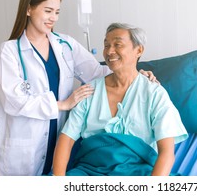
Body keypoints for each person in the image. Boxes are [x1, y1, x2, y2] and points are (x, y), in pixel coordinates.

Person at [0, 0, 155, 176]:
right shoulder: (9, 51)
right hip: (25, 146)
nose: (53, 17)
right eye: (48, 11)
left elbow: (96, 73)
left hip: (57, 138)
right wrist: (63, 104)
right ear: (28, 9)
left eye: (57, 12)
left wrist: (136, 74)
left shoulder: (65, 45)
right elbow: (13, 101)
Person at [52, 23, 188, 176]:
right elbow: (67, 139)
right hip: (90, 171)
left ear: (139, 50)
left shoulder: (154, 94)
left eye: (118, 44)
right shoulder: (89, 91)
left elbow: (166, 153)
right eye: (106, 45)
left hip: (139, 172)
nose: (110, 51)